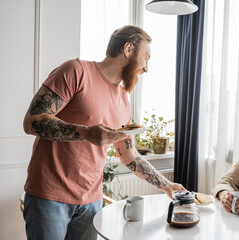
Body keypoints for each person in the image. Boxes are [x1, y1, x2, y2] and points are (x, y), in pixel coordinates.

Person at [22, 25, 184, 240]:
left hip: (92, 202)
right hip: (49, 198)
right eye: (146, 58)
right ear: (128, 49)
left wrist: (166, 185)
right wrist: (86, 133)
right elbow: (32, 122)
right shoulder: (76, 71)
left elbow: (129, 156)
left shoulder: (123, 100)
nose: (146, 68)